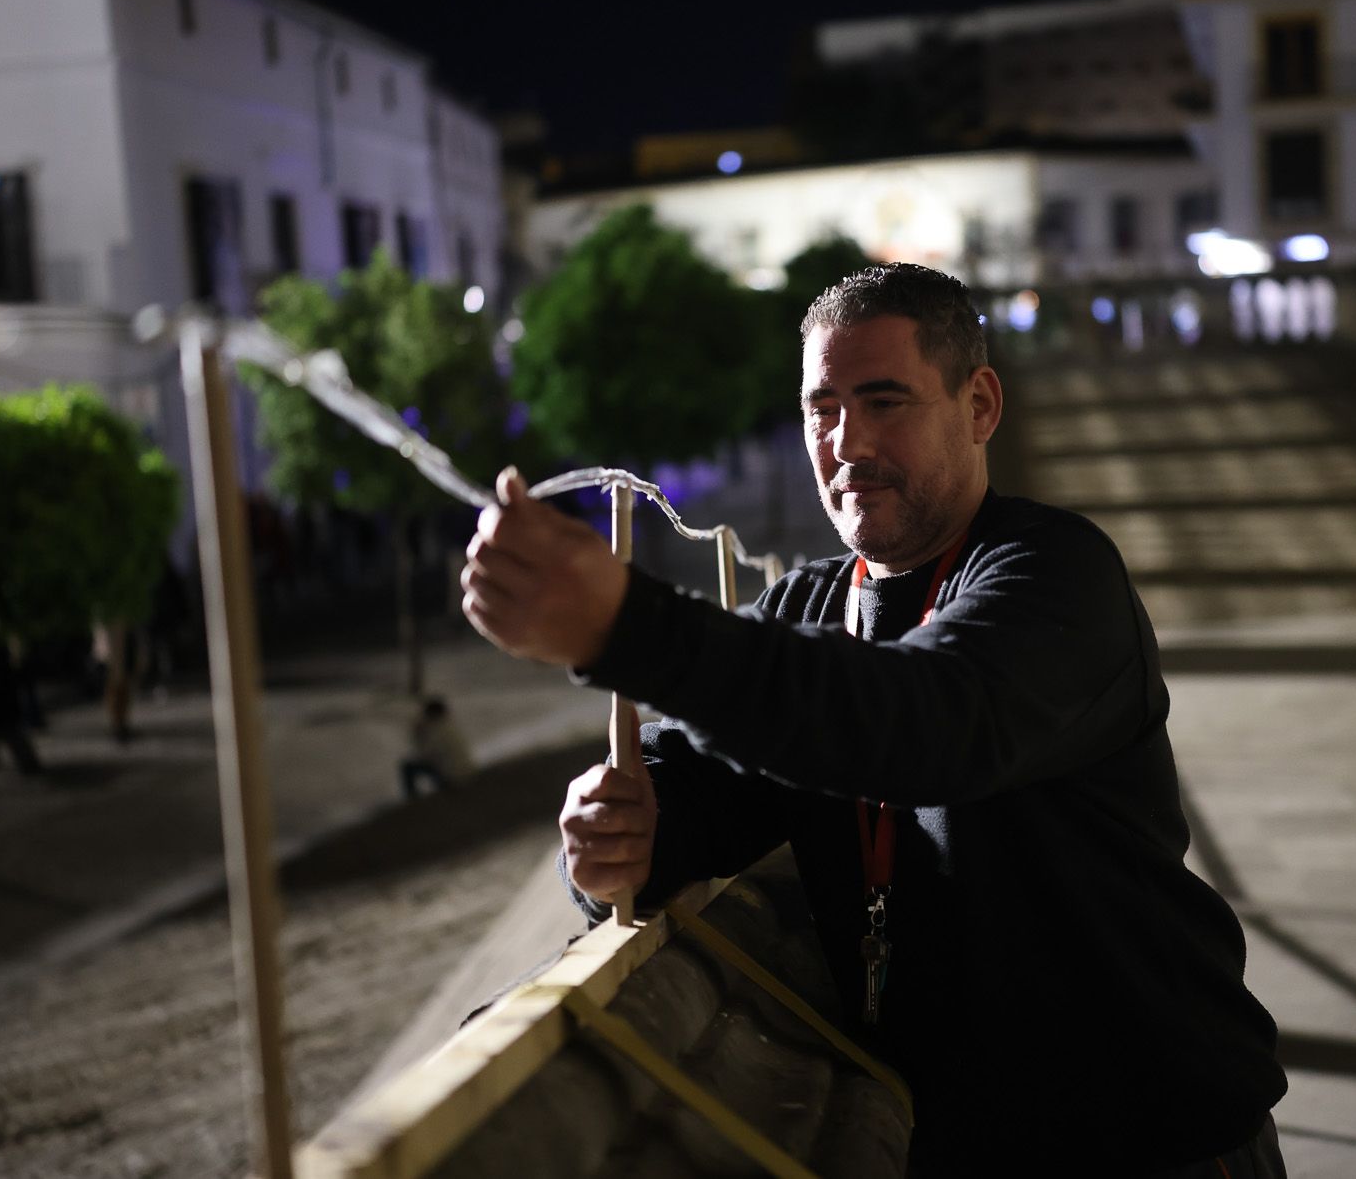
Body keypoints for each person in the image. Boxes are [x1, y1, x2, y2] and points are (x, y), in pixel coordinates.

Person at [460, 263, 1286, 1174]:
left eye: (884, 400)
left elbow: (926, 721)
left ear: (980, 405)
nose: (846, 442)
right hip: (945, 1141)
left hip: (1154, 1137)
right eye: (821, 409)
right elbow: (694, 778)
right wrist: (623, 831)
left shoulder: (1057, 573)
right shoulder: (806, 605)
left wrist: (628, 625)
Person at [399, 695, 475, 799]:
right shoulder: (449, 725)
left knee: (407, 767)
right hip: (466, 772)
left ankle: (412, 800)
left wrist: (418, 734)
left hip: (453, 777)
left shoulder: (437, 730)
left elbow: (426, 755)